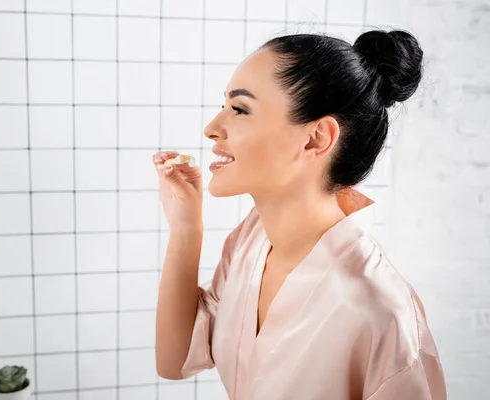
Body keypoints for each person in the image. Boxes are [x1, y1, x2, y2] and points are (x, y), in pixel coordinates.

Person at [152, 30, 447, 400]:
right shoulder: (251, 241)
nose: (212, 128)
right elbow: (175, 360)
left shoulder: (381, 313)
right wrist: (185, 226)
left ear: (316, 138)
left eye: (239, 109)